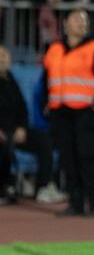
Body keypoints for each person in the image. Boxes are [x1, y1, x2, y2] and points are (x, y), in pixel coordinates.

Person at [41, 9, 94, 217]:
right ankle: (75, 203)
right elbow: (46, 78)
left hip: (86, 111)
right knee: (68, 159)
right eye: (76, 19)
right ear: (65, 24)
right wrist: (46, 102)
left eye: (84, 20)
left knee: (87, 157)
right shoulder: (54, 48)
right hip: (60, 111)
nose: (81, 23)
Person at [0, 46, 64, 204]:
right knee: (3, 146)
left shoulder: (11, 79)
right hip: (2, 132)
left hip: (16, 130)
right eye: (0, 56)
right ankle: (5, 186)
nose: (3, 59)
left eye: (5, 56)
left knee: (44, 140)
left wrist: (22, 127)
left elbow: (22, 108)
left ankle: (43, 187)